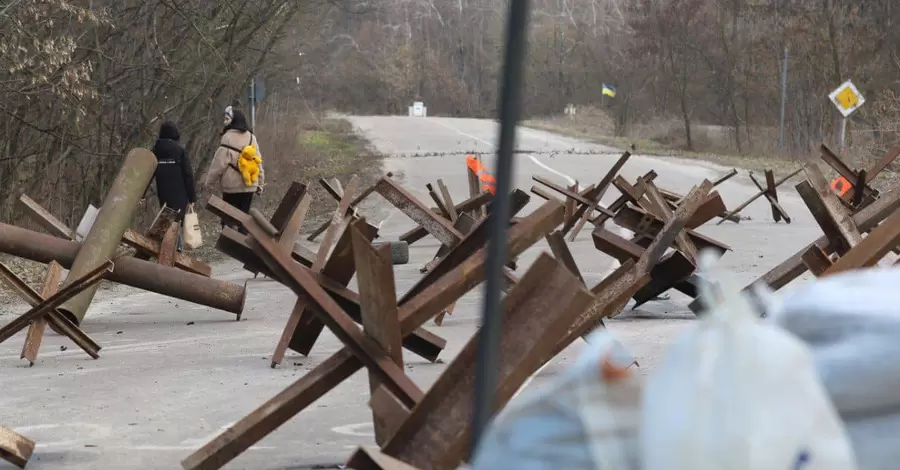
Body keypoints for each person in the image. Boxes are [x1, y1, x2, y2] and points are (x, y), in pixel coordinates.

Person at [203, 106, 264, 234]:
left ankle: (229, 240)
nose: (224, 122)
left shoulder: (227, 138)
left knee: (228, 216)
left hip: (231, 186)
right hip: (250, 185)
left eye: (227, 119)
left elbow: (218, 164)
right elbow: (258, 161)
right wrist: (260, 182)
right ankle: (243, 242)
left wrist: (208, 183)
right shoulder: (252, 137)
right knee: (244, 217)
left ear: (233, 121)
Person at [146, 120, 197, 251]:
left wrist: (142, 194)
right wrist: (192, 198)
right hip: (180, 192)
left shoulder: (155, 151)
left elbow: (148, 173)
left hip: (163, 192)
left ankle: (173, 247)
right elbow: (188, 175)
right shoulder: (180, 151)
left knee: (169, 219)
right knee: (175, 220)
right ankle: (176, 248)